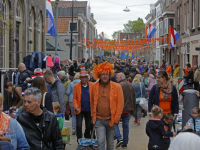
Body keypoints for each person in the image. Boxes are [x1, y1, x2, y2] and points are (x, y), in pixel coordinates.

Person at [91, 62, 124, 150]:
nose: (105, 76)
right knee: (100, 142)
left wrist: (116, 119)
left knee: (110, 144)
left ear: (110, 75)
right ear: (99, 75)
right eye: (103, 74)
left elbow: (120, 104)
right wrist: (93, 116)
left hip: (111, 120)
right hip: (98, 119)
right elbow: (92, 101)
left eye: (107, 74)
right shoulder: (94, 86)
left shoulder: (117, 87)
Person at [115, 73, 136, 148]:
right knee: (126, 126)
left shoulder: (118, 86)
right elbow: (134, 98)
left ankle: (119, 138)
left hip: (119, 109)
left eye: (117, 78)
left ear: (121, 77)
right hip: (128, 109)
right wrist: (133, 109)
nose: (116, 80)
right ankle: (125, 143)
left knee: (114, 124)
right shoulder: (131, 85)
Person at [73, 70, 93, 141]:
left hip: (89, 109)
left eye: (85, 77)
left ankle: (87, 137)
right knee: (78, 125)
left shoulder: (92, 85)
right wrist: (75, 106)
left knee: (89, 126)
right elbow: (74, 98)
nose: (83, 79)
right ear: (80, 78)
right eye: (82, 77)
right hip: (80, 109)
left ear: (87, 78)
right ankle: (79, 140)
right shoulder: (76, 86)